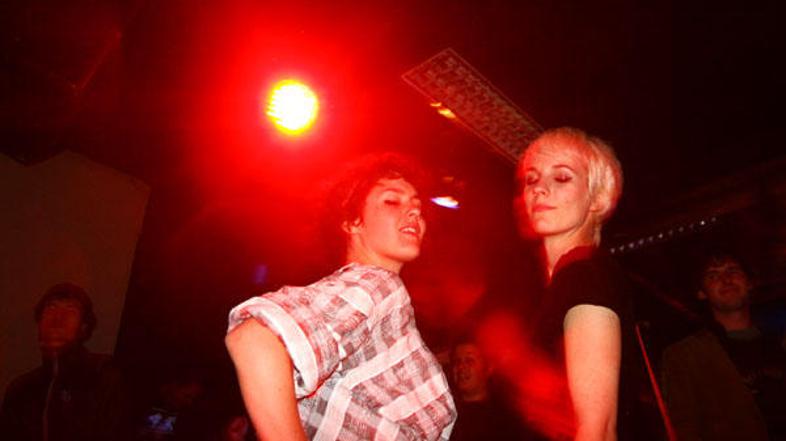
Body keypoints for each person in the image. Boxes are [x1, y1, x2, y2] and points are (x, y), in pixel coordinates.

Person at [224, 153, 456, 440]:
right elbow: (255, 338)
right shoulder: (378, 286)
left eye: (417, 207)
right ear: (352, 221)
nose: (414, 213)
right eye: (392, 201)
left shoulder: (381, 306)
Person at [515, 127, 635, 440]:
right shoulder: (567, 282)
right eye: (532, 179)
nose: (540, 189)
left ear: (597, 197)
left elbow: (597, 430)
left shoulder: (584, 277)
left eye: (562, 177)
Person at [660, 253, 786, 441]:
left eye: (732, 270)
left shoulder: (779, 341)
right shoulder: (685, 356)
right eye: (713, 275)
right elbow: (683, 426)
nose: (726, 280)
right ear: (701, 292)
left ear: (750, 283)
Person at [0, 283, 129, 441]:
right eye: (51, 308)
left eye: (71, 310)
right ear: (39, 322)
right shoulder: (20, 391)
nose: (58, 318)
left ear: (83, 327)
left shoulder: (104, 377)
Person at [449, 336, 533, 441]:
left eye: (469, 360)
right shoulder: (446, 412)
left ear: (488, 368)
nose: (461, 367)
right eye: (457, 361)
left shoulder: (505, 418)